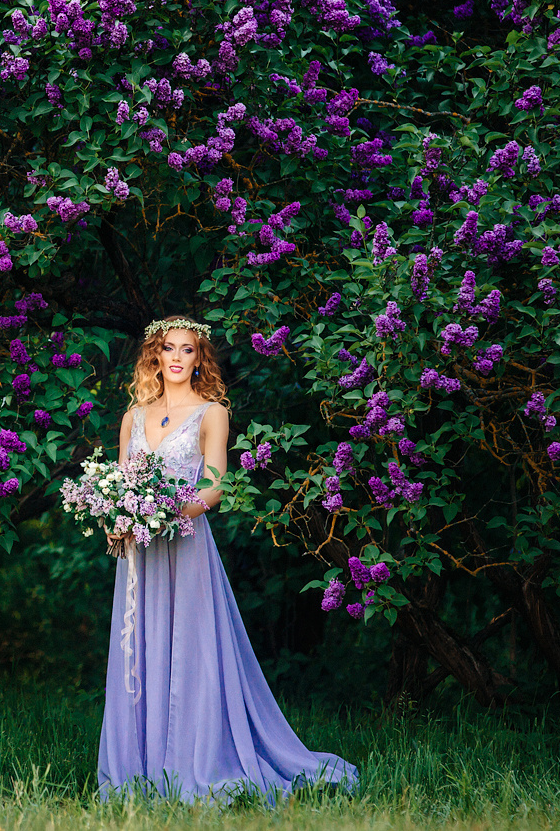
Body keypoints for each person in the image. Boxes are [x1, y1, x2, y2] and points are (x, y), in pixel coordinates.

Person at [97, 315, 358, 804]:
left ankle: (194, 764)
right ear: (155, 354)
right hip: (138, 555)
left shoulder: (212, 412)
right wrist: (117, 516)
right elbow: (121, 481)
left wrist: (168, 513)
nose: (176, 357)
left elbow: (215, 487)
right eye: (168, 348)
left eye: (187, 350)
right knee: (140, 651)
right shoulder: (133, 416)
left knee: (191, 651)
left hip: (184, 543)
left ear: (200, 359)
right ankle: (139, 770)